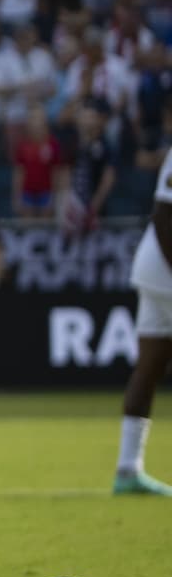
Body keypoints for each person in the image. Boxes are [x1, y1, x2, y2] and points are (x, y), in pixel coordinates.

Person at [112, 146, 172, 496]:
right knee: (149, 366)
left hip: (153, 272)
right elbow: (165, 219)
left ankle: (128, 469)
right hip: (164, 270)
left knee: (149, 367)